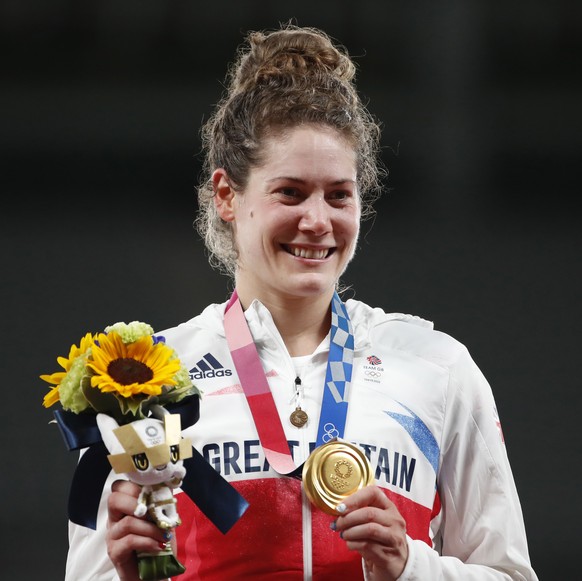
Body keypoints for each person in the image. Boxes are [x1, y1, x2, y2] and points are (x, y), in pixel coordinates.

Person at [65, 23, 538, 581]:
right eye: (290, 192)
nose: (318, 221)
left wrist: (411, 566)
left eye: (339, 195)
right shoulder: (147, 380)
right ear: (226, 196)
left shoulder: (437, 368)